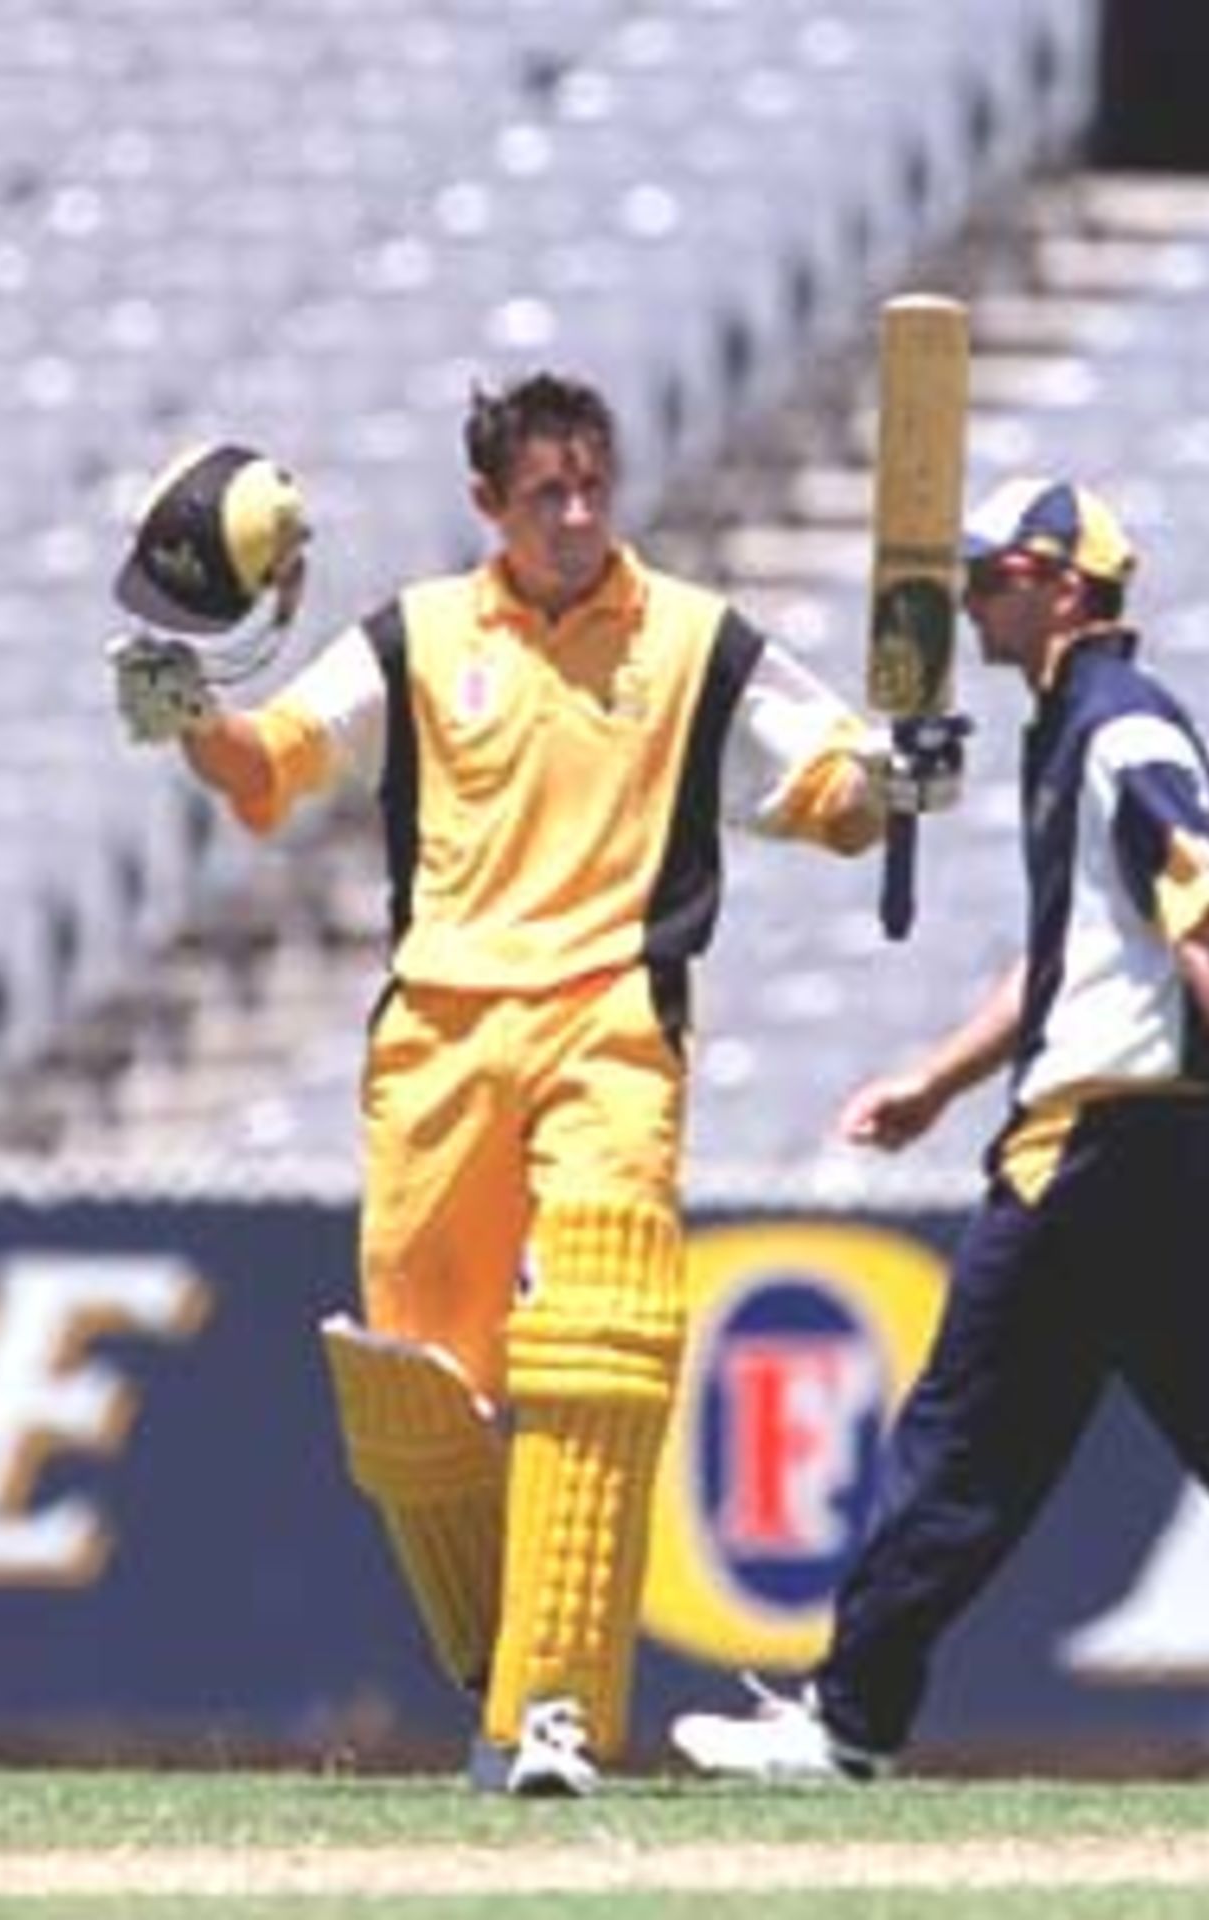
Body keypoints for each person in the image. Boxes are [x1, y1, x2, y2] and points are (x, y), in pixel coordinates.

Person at [109, 372, 951, 1795]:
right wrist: (183, 707)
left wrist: (898, 777)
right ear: (488, 504)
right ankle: (503, 1677)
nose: (574, 517)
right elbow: (270, 770)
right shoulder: (420, 638)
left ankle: (554, 1707)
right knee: (412, 1388)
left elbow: (836, 796)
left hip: (613, 1018)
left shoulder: (692, 641)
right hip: (437, 1035)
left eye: (591, 488)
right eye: (544, 494)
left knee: (603, 1335)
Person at [670, 475, 1209, 1784]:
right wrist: (936, 1081)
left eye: (993, 576)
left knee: (962, 1435)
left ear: (1063, 589)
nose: (968, 595)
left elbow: (1203, 917)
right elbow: (1070, 960)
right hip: (1146, 1148)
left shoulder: (1119, 729)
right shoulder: (1078, 727)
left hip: (1098, 1147)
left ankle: (851, 1718)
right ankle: (854, 1712)